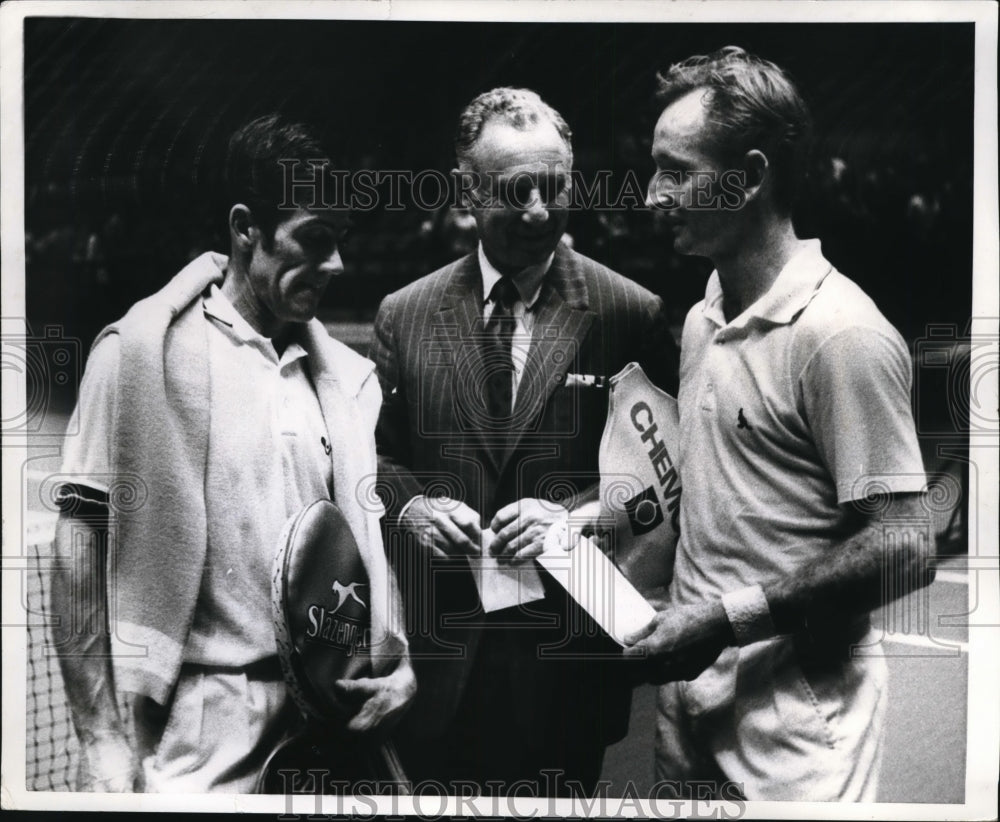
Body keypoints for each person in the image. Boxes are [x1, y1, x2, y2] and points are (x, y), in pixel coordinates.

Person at [50, 114, 415, 793]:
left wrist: (399, 666)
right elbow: (79, 551)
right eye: (315, 239)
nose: (336, 263)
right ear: (247, 228)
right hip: (205, 732)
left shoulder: (340, 380)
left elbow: (359, 552)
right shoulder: (135, 358)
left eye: (341, 242)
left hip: (337, 724)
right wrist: (98, 734)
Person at [623, 46, 935, 801]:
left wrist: (725, 622)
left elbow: (906, 545)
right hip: (691, 703)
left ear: (751, 175)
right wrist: (572, 520)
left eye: (676, 170)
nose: (653, 195)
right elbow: (705, 495)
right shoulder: (704, 316)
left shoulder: (840, 333)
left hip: (800, 728)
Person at [372, 87, 679, 794]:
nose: (540, 212)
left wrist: (575, 516)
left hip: (567, 667)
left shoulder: (630, 313)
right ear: (467, 190)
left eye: (555, 187)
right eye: (516, 191)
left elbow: (669, 484)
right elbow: (378, 461)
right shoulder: (405, 314)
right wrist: (413, 508)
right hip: (437, 664)